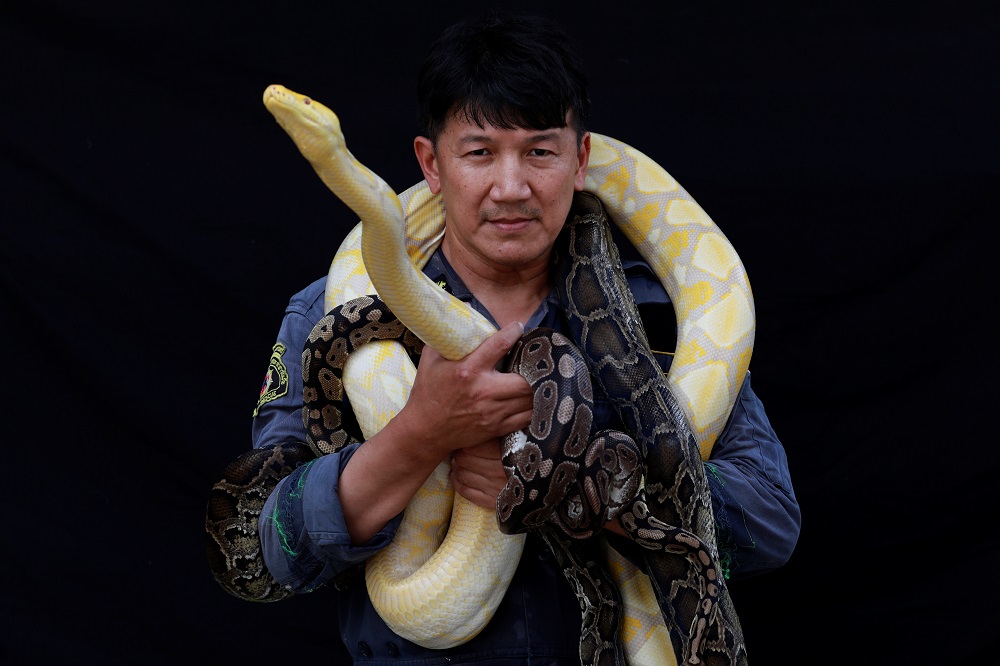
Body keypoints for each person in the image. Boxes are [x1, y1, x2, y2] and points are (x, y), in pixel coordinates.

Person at [250, 12, 800, 665]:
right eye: (479, 152)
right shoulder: (332, 313)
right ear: (431, 163)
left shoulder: (666, 319)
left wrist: (587, 481)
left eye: (540, 150)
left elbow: (771, 521)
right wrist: (421, 437)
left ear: (582, 159)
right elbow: (267, 551)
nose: (511, 188)